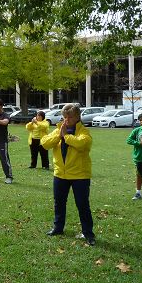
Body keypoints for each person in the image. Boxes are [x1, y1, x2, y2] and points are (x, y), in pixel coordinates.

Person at [41, 103, 95, 246]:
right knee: (59, 203)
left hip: (80, 175)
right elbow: (45, 143)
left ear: (77, 117)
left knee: (82, 205)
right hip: (60, 174)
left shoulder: (83, 131)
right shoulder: (59, 130)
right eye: (64, 117)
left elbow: (83, 144)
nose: (66, 120)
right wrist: (60, 135)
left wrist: (66, 136)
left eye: (70, 117)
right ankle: (58, 228)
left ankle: (88, 233)